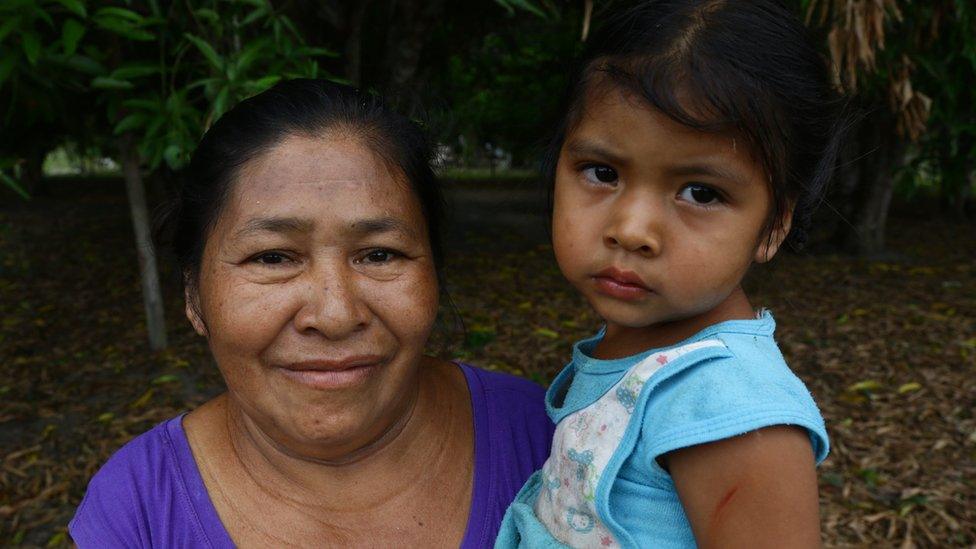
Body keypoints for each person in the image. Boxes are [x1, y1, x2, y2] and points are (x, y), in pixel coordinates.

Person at [69, 79, 554, 548]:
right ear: (194, 294)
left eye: (380, 254)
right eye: (273, 257)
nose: (336, 314)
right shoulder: (137, 513)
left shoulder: (554, 444)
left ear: (435, 273)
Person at [495, 1, 847, 547]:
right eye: (602, 172)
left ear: (776, 223)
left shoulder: (729, 407)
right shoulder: (642, 355)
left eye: (701, 193)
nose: (632, 229)